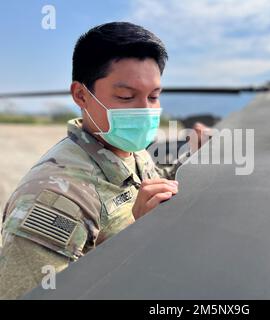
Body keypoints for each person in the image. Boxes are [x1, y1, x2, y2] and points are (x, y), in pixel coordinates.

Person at [0, 22, 209, 299]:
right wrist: (139, 240)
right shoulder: (51, 202)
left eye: (154, 96)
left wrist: (198, 152)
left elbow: (154, 175)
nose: (145, 111)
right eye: (126, 96)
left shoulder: (127, 149)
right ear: (81, 95)